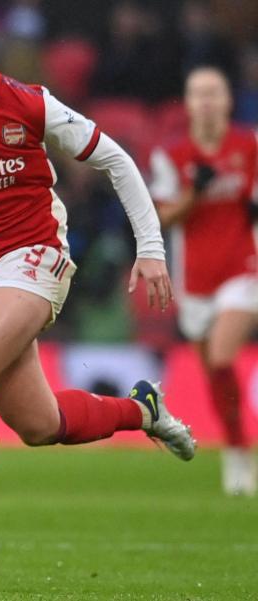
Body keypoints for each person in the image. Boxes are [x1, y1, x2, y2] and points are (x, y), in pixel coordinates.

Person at [0, 0, 198, 577]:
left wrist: (150, 249)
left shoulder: (29, 103)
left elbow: (118, 161)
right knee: (38, 423)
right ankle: (143, 410)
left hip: (33, 259)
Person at [150, 66, 258, 496]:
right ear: (189, 103)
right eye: (199, 94)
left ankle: (238, 454)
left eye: (215, 92)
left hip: (242, 269)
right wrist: (195, 193)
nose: (208, 101)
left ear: (229, 100)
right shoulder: (172, 157)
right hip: (195, 280)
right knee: (216, 376)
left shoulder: (248, 146)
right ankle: (235, 449)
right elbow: (163, 215)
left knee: (220, 355)